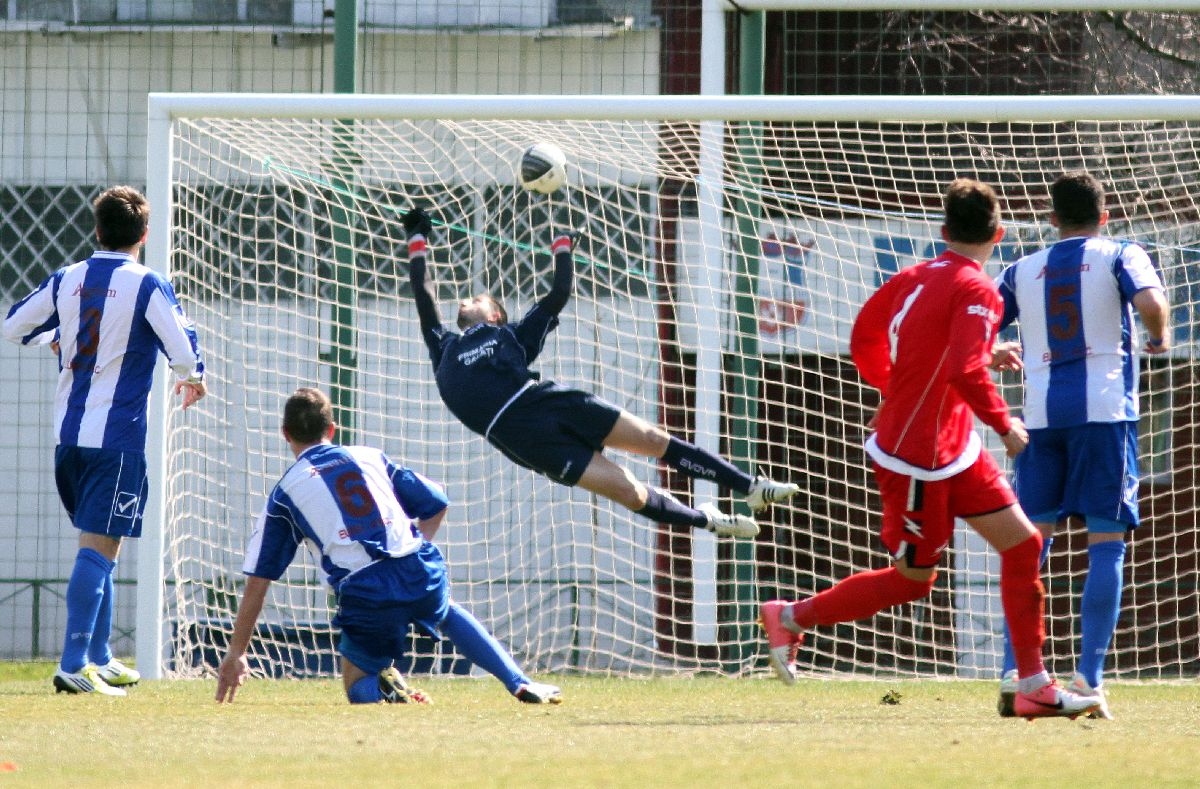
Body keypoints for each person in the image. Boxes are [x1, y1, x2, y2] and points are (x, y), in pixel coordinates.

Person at [758, 178, 1100, 719]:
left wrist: (903, 385)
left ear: (943, 232)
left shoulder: (914, 275)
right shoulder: (979, 289)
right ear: (1000, 234)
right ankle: (791, 616)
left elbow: (867, 338)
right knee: (914, 581)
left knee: (1022, 544)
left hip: (954, 448)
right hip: (916, 458)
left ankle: (1032, 684)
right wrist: (1004, 423)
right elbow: (962, 367)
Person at [401, 206, 799, 540]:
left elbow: (557, 295)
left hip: (550, 405)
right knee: (628, 491)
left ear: (494, 314)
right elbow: (424, 295)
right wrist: (417, 240)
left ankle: (750, 487)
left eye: (476, 299)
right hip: (525, 441)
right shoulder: (444, 346)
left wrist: (562, 246)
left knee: (653, 439)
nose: (466, 301)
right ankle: (709, 519)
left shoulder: (512, 335)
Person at [215, 387, 562, 706]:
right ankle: (519, 682)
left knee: (355, 680)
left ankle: (382, 687)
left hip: (366, 590)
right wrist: (408, 553)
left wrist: (236, 653)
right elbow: (437, 501)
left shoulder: (284, 494)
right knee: (447, 611)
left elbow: (258, 581)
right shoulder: (370, 457)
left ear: (285, 433)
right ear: (332, 429)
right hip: (417, 565)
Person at [3, 185, 207, 696]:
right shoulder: (145, 283)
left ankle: (102, 657)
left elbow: (11, 325)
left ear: (97, 230)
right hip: (116, 439)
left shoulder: (66, 279)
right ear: (144, 234)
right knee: (99, 547)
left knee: (102, 544)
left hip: (67, 439)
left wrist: (51, 337)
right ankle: (73, 663)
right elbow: (182, 347)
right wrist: (194, 375)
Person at [991, 171, 1170, 719]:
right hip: (1104, 414)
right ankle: (1088, 677)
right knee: (1107, 542)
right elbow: (1151, 302)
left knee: (1029, 547)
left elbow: (982, 329)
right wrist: (1160, 338)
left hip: (1041, 418)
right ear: (1104, 215)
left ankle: (1015, 671)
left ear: (1052, 219)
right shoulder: (1120, 251)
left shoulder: (1021, 269)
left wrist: (997, 350)